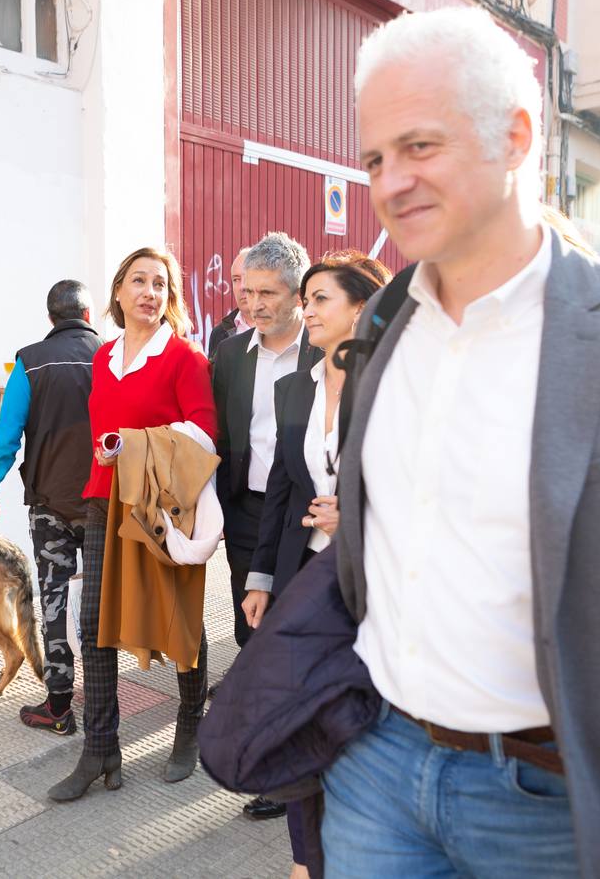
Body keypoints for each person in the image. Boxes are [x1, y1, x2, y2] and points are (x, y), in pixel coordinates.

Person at [323, 8, 600, 876]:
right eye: (375, 158)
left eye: (421, 146)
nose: (391, 181)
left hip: (551, 806)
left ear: (514, 137)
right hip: (376, 770)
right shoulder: (379, 326)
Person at [47, 247, 217, 802]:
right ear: (118, 292)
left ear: (170, 298)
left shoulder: (185, 357)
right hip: (106, 502)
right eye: (139, 281)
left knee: (177, 619)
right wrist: (109, 450)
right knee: (94, 623)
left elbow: (206, 436)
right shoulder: (103, 357)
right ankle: (100, 748)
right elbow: (104, 433)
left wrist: (137, 446)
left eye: (160, 284)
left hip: (163, 508)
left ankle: (190, 722)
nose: (150, 292)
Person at [242, 250, 386, 876]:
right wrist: (261, 576)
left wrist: (353, 517)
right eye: (307, 298)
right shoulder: (292, 384)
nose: (307, 309)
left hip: (375, 584)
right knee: (301, 715)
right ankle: (306, 859)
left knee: (364, 727)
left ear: (362, 306)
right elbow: (281, 486)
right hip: (305, 576)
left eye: (321, 297)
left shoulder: (392, 382)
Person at [209, 231, 320, 820]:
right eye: (247, 290)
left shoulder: (324, 351)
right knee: (252, 633)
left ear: (299, 295)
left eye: (267, 293)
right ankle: (272, 756)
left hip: (309, 519)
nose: (253, 303)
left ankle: (295, 768)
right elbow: (224, 437)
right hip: (250, 512)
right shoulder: (229, 354)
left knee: (297, 638)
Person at [0, 279, 101, 736]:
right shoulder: (113, 357)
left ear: (51, 319)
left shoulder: (30, 361)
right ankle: (102, 705)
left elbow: (7, 436)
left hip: (51, 506)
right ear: (88, 316)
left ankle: (60, 706)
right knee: (101, 601)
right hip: (105, 503)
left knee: (55, 601)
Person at [206, 247, 252, 357]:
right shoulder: (219, 333)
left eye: (247, 277)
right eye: (236, 279)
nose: (242, 287)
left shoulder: (277, 327)